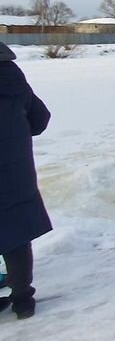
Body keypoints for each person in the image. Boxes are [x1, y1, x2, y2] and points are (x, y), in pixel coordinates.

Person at [0, 41, 51, 320]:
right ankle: (22, 299)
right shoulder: (11, 76)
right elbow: (39, 119)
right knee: (15, 231)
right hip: (13, 171)